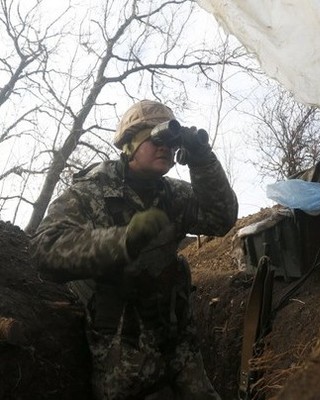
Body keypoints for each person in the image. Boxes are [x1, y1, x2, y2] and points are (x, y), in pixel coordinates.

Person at [31, 99, 238, 400]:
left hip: (180, 350)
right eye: (155, 138)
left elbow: (221, 218)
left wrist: (202, 159)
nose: (164, 147)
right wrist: (122, 241)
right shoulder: (90, 192)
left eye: (170, 141)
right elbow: (44, 250)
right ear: (129, 143)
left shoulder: (173, 195)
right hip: (124, 363)